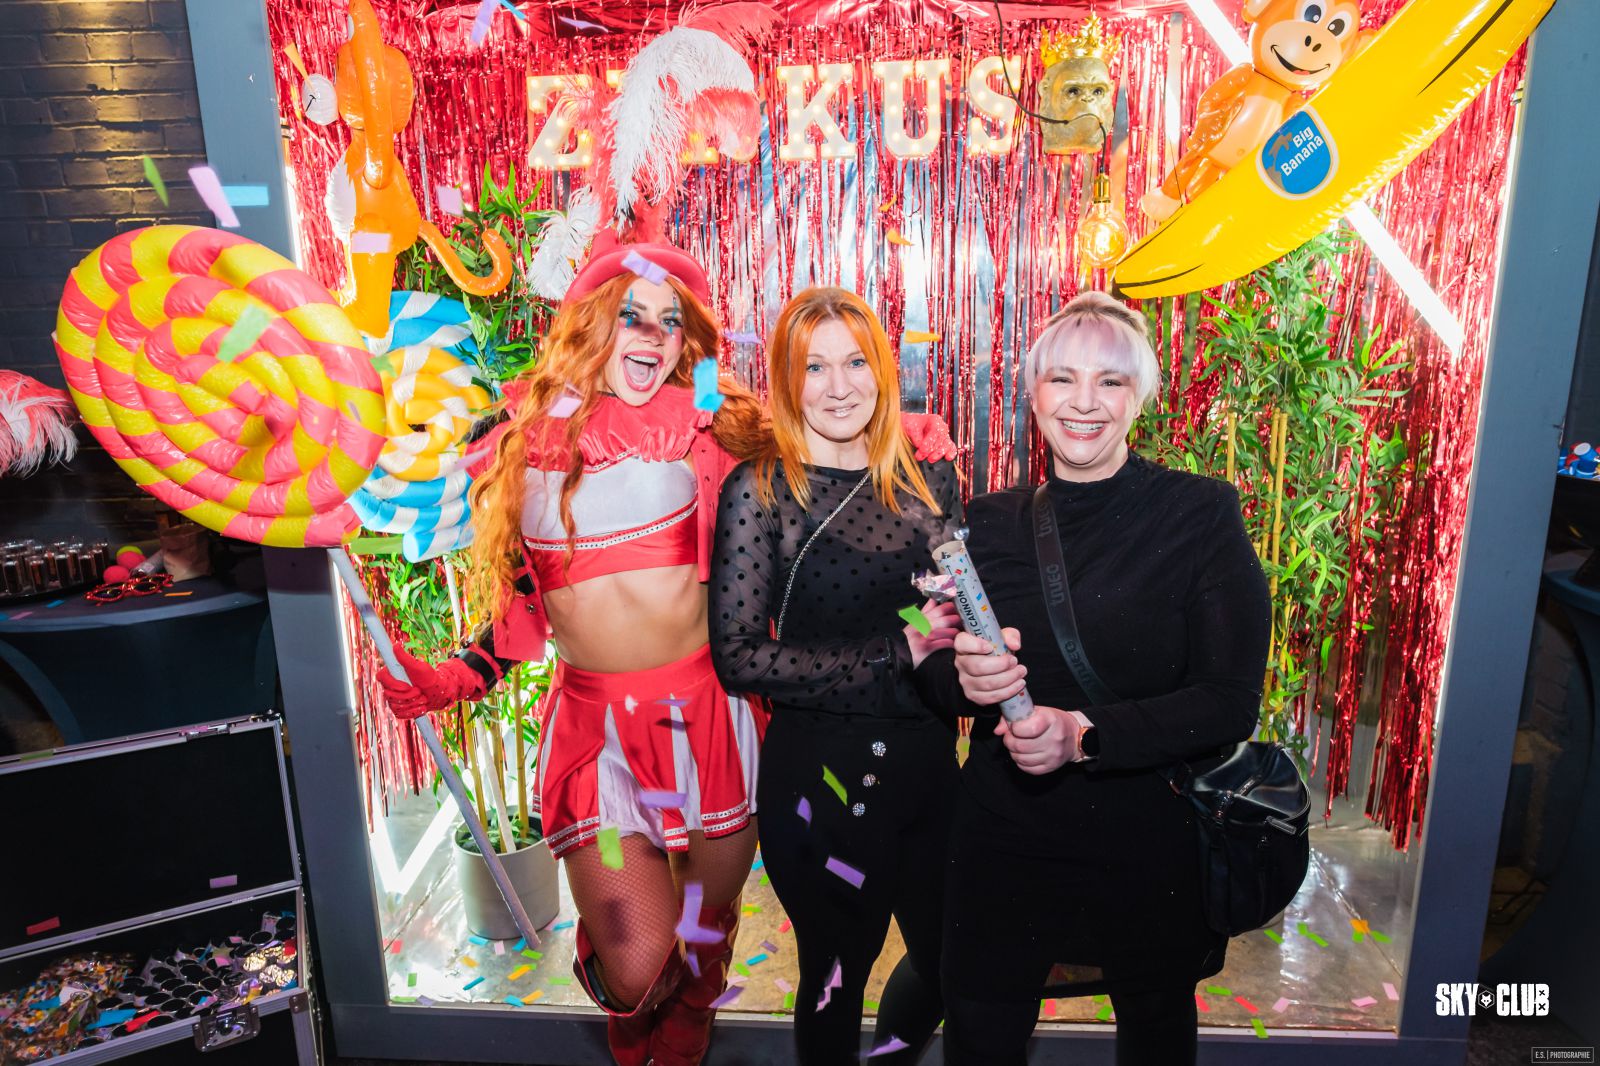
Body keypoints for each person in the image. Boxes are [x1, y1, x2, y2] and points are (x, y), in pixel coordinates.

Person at [376, 240, 956, 1066]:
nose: (653, 334)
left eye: (670, 321)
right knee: (638, 961)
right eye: (631, 317)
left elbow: (816, 431)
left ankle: (686, 1016)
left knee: (700, 931)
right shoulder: (519, 446)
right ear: (590, 326)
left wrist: (899, 433)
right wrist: (447, 680)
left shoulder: (706, 430)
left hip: (709, 724)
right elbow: (523, 609)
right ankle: (634, 991)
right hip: (598, 739)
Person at [915, 290, 1271, 1065]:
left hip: (1145, 834)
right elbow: (927, 657)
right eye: (1062, 379)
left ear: (1140, 396)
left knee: (1155, 1029)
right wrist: (960, 676)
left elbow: (1230, 700)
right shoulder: (988, 520)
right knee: (980, 1031)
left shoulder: (1200, 514)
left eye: (1110, 381)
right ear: (1033, 393)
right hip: (1004, 832)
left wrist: (1084, 734)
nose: (1084, 402)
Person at [708, 287, 963, 1064]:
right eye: (814, 367)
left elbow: (950, 616)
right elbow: (739, 655)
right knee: (834, 981)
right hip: (820, 784)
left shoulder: (930, 483)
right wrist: (894, 652)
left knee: (953, 967)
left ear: (883, 370)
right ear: (788, 381)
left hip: (928, 771)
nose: (840, 385)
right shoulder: (760, 491)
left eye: (855, 362)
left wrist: (981, 660)